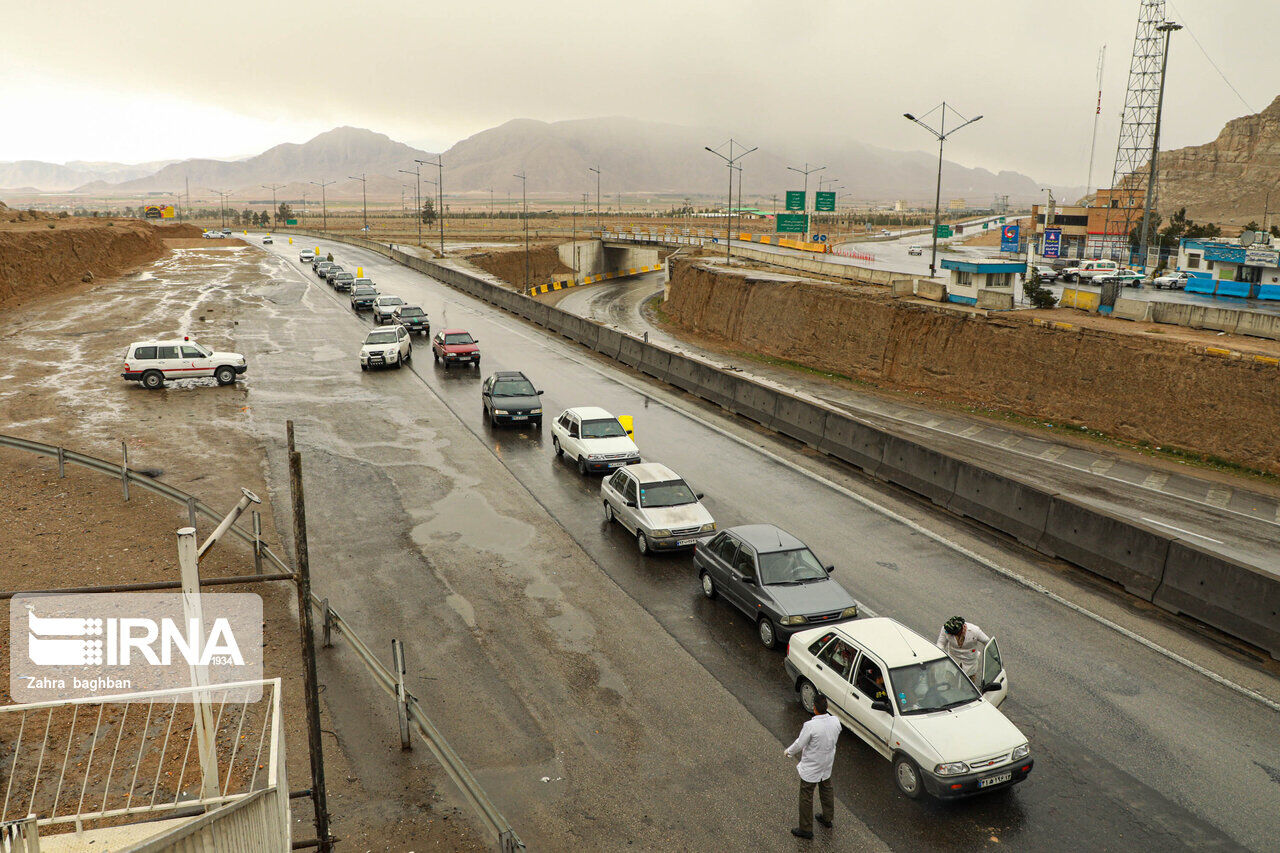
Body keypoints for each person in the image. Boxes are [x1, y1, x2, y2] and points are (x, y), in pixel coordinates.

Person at [784, 694, 841, 839]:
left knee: (806, 796)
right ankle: (827, 818)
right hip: (826, 763)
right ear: (826, 707)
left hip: (812, 766)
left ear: (815, 708)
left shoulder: (810, 726)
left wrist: (789, 752)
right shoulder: (835, 721)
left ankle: (806, 828)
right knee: (826, 789)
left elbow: (800, 743)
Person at [937, 616, 991, 680]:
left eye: (955, 634)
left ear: (962, 629)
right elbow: (941, 643)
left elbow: (987, 641)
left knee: (968, 685)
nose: (953, 635)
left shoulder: (975, 631)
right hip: (954, 658)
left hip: (969, 661)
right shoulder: (946, 629)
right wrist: (940, 654)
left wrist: (992, 656)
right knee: (950, 680)